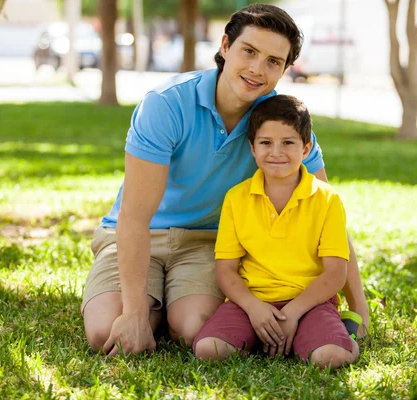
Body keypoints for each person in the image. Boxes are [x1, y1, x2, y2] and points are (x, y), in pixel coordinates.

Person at [81, 4, 369, 356]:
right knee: (103, 333)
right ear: (225, 46)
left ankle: (165, 307)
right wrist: (135, 314)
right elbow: (135, 217)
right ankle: (147, 306)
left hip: (208, 244)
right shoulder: (166, 104)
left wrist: (360, 306)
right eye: (249, 51)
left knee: (192, 327)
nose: (256, 69)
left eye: (273, 61)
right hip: (136, 236)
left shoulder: (282, 125)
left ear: (284, 70)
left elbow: (327, 215)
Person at [193, 95, 358, 368]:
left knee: (331, 358)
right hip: (251, 302)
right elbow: (226, 271)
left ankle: (343, 339)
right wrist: (253, 308)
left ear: (306, 149)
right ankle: (266, 335)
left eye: (288, 143)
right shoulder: (236, 198)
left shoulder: (328, 199)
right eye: (266, 143)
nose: (276, 152)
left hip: (310, 302)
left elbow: (335, 273)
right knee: (209, 350)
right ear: (252, 148)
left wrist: (292, 312)